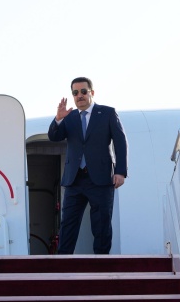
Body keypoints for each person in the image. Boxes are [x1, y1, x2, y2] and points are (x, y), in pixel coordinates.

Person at [48, 76, 128, 254]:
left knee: (101, 225)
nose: (79, 96)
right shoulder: (69, 117)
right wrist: (58, 118)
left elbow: (120, 142)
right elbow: (54, 137)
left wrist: (120, 171)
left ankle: (101, 264)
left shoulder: (107, 113)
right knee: (68, 224)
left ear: (92, 92)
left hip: (100, 179)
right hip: (74, 180)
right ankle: (63, 263)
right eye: (75, 93)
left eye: (83, 91)